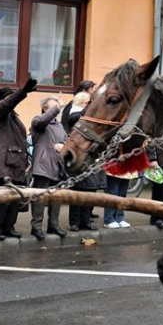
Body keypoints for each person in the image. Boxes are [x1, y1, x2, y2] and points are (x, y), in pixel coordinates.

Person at [0, 79, 39, 241]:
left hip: (15, 162)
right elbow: (7, 104)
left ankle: (9, 227)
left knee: (14, 199)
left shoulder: (12, 116)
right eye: (11, 97)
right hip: (3, 163)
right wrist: (22, 92)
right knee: (2, 199)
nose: (13, 100)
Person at [29, 97, 68, 241]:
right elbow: (40, 123)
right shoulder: (38, 120)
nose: (56, 110)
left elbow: (66, 139)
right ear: (45, 108)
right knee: (40, 198)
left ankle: (53, 225)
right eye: (53, 108)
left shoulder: (59, 125)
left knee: (56, 197)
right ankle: (36, 227)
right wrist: (58, 108)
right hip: (43, 165)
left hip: (58, 165)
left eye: (57, 108)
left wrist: (63, 144)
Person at [66, 92, 104, 231]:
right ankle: (75, 223)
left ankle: (86, 221)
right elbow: (73, 119)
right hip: (78, 160)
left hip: (91, 161)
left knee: (90, 193)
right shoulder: (75, 115)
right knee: (76, 195)